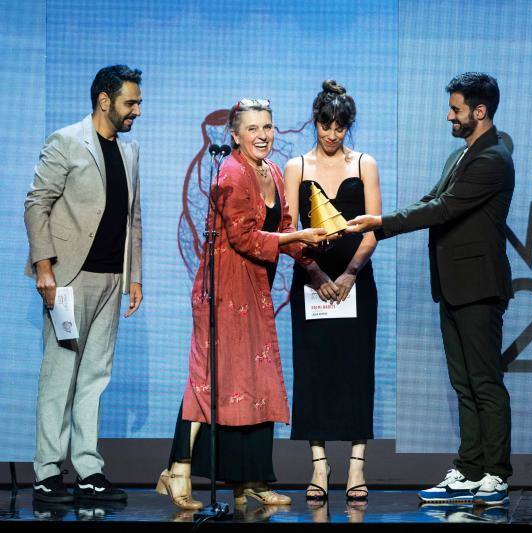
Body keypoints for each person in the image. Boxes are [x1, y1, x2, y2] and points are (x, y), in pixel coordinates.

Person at [348, 72, 514, 506]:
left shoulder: (493, 158)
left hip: (479, 287)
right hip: (454, 287)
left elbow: (443, 209)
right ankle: (470, 468)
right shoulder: (460, 157)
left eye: (456, 109)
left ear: (480, 112)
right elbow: (429, 200)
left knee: (485, 383)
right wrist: (377, 225)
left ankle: (495, 474)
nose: (449, 115)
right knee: (464, 384)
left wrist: (380, 224)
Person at [157, 98, 328, 510]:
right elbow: (245, 238)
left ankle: (250, 478)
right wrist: (297, 240)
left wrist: (314, 265)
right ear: (235, 136)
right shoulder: (231, 174)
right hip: (224, 288)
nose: (264, 135)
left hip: (254, 287)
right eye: (253, 129)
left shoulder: (269, 171)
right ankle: (176, 470)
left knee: (257, 379)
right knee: (209, 377)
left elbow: (284, 227)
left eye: (268, 127)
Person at [24, 65, 144, 503]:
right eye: (131, 102)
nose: (136, 111)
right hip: (69, 278)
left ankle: (89, 470)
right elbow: (37, 204)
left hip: (113, 278)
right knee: (60, 376)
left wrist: (134, 277)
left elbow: (133, 218)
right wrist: (44, 268)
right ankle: (47, 472)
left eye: (138, 103)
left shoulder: (129, 152)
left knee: (95, 376)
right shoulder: (66, 141)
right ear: (104, 100)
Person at [284, 80, 382, 503]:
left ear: (349, 126)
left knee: (356, 370)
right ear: (315, 121)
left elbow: (374, 227)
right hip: (311, 283)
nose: (331, 133)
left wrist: (348, 276)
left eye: (340, 126)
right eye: (325, 124)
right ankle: (319, 467)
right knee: (315, 372)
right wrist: (318, 276)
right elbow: (288, 231)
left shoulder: (365, 164)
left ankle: (357, 465)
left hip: (356, 282)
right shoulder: (296, 167)